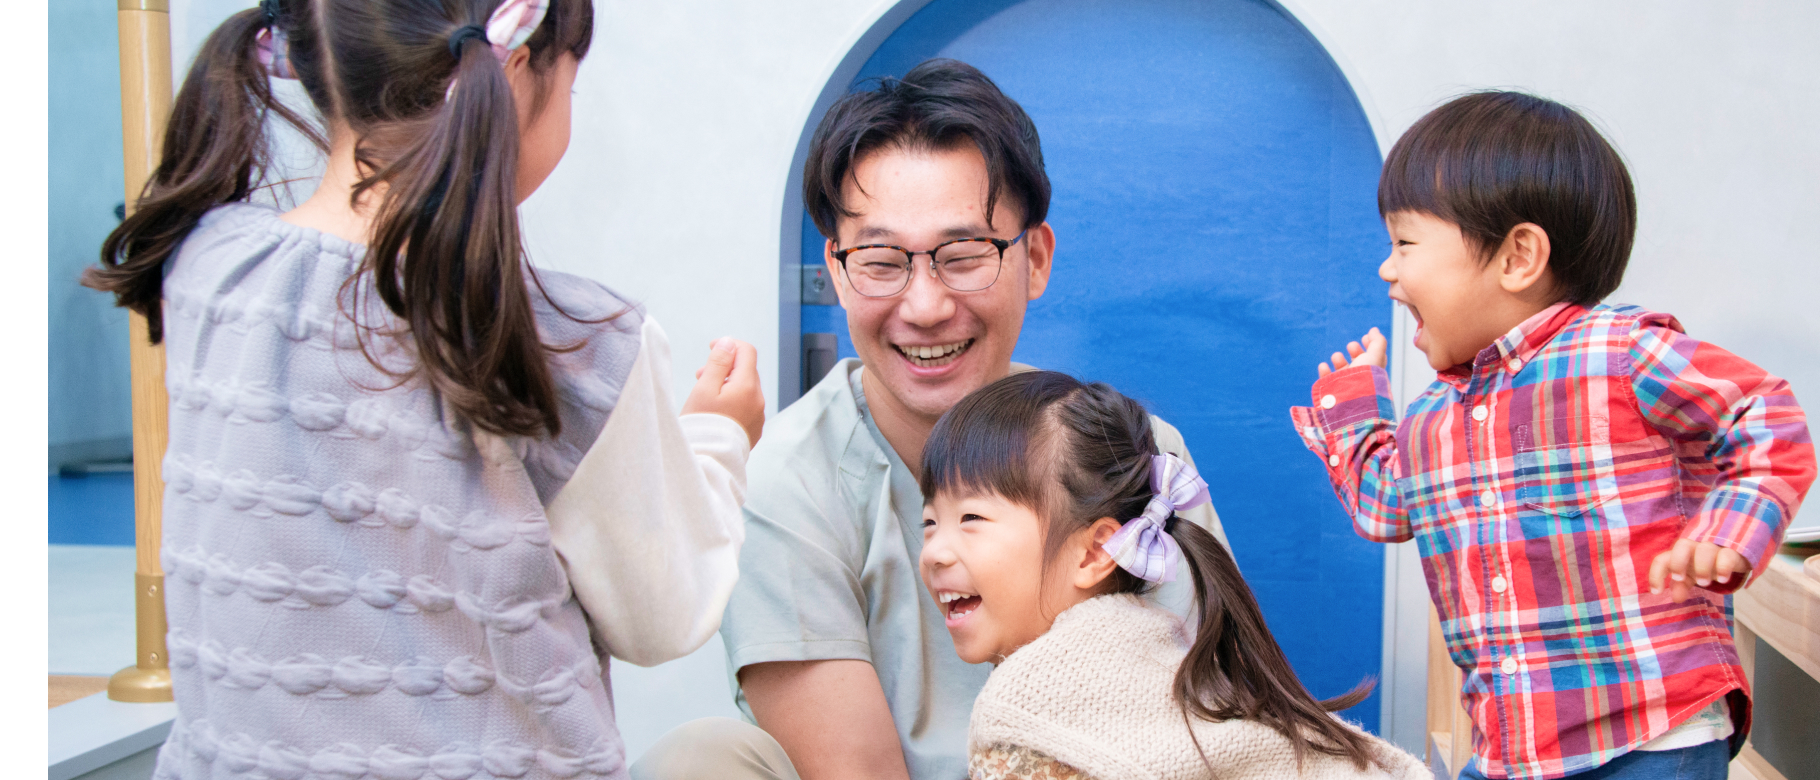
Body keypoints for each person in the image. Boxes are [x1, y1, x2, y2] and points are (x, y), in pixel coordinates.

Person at [84, 1, 765, 778]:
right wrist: (717, 439)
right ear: (512, 74)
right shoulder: (566, 339)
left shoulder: (206, 268)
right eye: (569, 88)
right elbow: (662, 615)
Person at [629, 59, 1229, 780]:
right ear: (840, 270)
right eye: (882, 260)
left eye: (964, 254)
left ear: (1034, 258)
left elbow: (1194, 725)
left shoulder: (1127, 452)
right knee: (702, 761)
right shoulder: (786, 482)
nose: (925, 306)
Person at [1294, 92, 1815, 780]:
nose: (1388, 270)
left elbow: (1762, 411)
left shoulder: (1620, 352)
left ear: (1517, 257)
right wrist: (1356, 410)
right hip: (1518, 750)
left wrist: (1729, 528)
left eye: (1404, 243)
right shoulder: (1431, 419)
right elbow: (1385, 505)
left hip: (1653, 732)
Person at [918, 371, 1427, 780]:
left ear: (1096, 551)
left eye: (971, 519)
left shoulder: (1024, 714)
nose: (936, 551)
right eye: (929, 522)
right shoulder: (1166, 661)